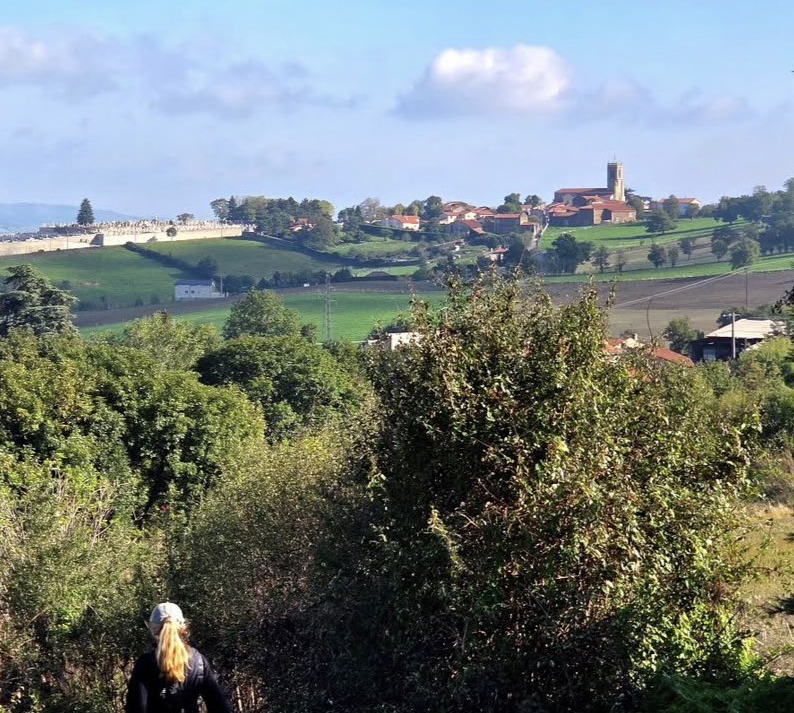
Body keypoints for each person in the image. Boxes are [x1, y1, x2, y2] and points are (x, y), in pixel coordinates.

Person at [125, 602, 232, 713]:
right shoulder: (199, 661)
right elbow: (219, 706)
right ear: (183, 627)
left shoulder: (145, 663)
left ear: (153, 629)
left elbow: (137, 707)